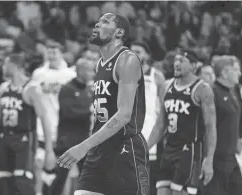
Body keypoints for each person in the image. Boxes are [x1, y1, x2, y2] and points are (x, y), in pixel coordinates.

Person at [58, 13, 149, 195]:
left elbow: (124, 115)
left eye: (105, 22)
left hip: (125, 148)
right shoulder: (100, 64)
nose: (97, 25)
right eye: (98, 22)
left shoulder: (127, 60)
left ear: (119, 32)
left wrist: (84, 146)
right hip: (99, 149)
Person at [0, 53, 56, 195]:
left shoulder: (31, 88)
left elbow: (45, 119)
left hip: (25, 140)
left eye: (5, 64)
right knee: (3, 182)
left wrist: (49, 150)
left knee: (23, 183)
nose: (3, 67)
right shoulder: (3, 88)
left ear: (14, 66)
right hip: (5, 139)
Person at [148, 49, 217, 195]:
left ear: (193, 66)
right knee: (161, 192)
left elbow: (210, 127)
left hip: (189, 152)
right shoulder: (166, 86)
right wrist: (144, 147)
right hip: (168, 150)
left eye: (182, 61)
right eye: (176, 60)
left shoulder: (202, 89)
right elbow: (161, 125)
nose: (177, 64)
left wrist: (209, 159)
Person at [32, 40, 76, 195]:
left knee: (64, 171)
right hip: (42, 129)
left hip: (63, 129)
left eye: (54, 51)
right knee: (38, 167)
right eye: (49, 52)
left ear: (61, 53)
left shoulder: (71, 75)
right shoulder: (38, 74)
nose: (51, 55)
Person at [47, 58, 95, 195]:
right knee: (60, 178)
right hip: (67, 141)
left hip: (84, 141)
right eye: (90, 70)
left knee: (87, 178)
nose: (92, 74)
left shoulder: (89, 90)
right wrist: (90, 112)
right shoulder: (67, 89)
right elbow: (68, 112)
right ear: (81, 70)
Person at [200, 56, 242, 195]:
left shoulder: (233, 92)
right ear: (225, 72)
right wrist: (208, 160)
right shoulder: (212, 92)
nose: (239, 73)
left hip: (231, 159)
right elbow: (205, 128)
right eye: (236, 70)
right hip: (216, 161)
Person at [131, 41, 165, 195]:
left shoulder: (156, 76)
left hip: (149, 134)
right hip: (127, 134)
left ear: (147, 55)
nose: (134, 54)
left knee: (146, 181)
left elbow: (165, 108)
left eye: (138, 51)